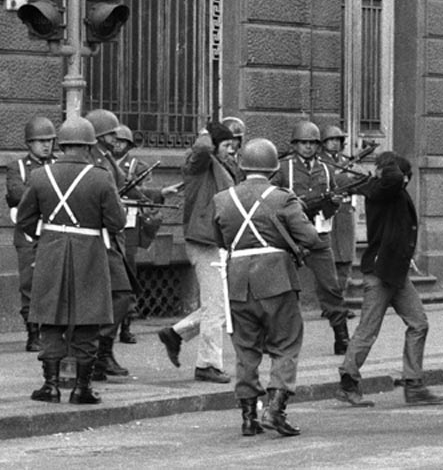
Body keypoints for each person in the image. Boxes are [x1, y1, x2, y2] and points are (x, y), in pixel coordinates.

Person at [211, 138, 320, 437]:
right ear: (273, 168)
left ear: (243, 166)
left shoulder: (223, 199)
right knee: (286, 344)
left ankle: (248, 417)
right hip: (276, 279)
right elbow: (310, 238)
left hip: (237, 281)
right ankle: (275, 409)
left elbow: (219, 240)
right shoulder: (282, 198)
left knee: (245, 350)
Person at [16, 117, 126, 405]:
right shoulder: (101, 176)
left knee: (49, 318)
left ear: (61, 144)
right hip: (89, 251)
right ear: (90, 145)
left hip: (50, 251)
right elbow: (117, 222)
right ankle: (82, 388)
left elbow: (26, 219)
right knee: (88, 320)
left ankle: (50, 386)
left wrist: (48, 238)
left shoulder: (41, 176)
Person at [336, 151, 443, 407]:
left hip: (394, 273)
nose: (406, 182)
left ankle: (414, 383)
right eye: (406, 177)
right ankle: (347, 383)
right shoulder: (384, 189)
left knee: (418, 323)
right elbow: (393, 180)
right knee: (368, 329)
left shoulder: (385, 190)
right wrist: (388, 165)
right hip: (380, 272)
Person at [157, 121, 244, 383]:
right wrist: (209, 133)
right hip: (204, 242)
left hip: (220, 242)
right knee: (216, 308)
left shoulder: (226, 166)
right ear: (215, 145)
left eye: (233, 145)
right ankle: (207, 364)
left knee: (221, 305)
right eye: (226, 145)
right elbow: (203, 148)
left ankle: (175, 333)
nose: (232, 150)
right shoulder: (199, 165)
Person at [272, 121, 350, 355]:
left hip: (319, 234)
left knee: (330, 286)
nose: (307, 148)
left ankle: (342, 335)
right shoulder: (284, 167)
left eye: (312, 144)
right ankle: (278, 337)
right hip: (289, 236)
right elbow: (270, 198)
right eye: (303, 143)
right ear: (295, 145)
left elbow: (334, 196)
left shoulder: (326, 168)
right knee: (281, 288)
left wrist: (333, 204)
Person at [85, 109, 146, 381]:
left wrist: (155, 195)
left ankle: (102, 352)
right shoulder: (93, 159)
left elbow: (125, 187)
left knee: (121, 293)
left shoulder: (107, 158)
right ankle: (99, 353)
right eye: (110, 133)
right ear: (99, 134)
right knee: (121, 293)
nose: (115, 137)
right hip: (101, 238)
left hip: (113, 237)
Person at [112, 125, 180, 344]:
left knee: (128, 274)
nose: (117, 145)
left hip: (128, 225)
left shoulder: (135, 166)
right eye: (115, 140)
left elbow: (140, 194)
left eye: (122, 142)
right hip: (109, 224)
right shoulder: (103, 163)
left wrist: (159, 193)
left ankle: (126, 324)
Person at [5, 116, 57, 352]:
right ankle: (32, 333)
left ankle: (51, 331)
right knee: (29, 284)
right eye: (40, 141)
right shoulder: (17, 167)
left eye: (50, 141)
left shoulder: (58, 165)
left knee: (53, 282)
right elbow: (16, 194)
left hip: (53, 232)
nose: (46, 145)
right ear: (29, 143)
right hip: (28, 234)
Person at [319, 126, 357, 302]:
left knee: (346, 258)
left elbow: (356, 181)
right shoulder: (320, 162)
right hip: (329, 212)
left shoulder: (346, 160)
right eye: (331, 140)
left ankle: (341, 299)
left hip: (346, 212)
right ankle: (331, 302)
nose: (335, 143)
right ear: (324, 142)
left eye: (338, 140)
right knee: (330, 259)